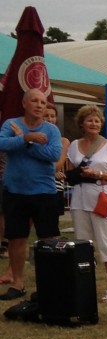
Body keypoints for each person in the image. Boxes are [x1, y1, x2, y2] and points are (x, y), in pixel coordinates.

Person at [0, 89, 62, 300]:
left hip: (44, 192)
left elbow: (52, 155)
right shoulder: (11, 124)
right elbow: (1, 144)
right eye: (34, 101)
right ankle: (17, 283)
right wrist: (26, 137)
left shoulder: (51, 130)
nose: (39, 105)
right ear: (24, 103)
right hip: (15, 192)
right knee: (17, 239)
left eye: (43, 102)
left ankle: (49, 284)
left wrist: (26, 143)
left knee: (48, 240)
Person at [65, 105, 107, 302]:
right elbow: (73, 173)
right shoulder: (74, 145)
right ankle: (85, 283)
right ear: (82, 123)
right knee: (82, 242)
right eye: (90, 120)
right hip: (79, 197)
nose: (94, 123)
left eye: (97, 120)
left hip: (102, 194)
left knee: (106, 241)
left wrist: (99, 173)